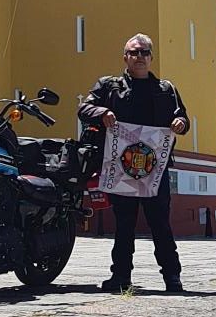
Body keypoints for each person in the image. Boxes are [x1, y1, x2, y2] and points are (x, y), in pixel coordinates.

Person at [79, 34, 189, 292]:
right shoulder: (109, 86)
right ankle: (120, 277)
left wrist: (181, 123)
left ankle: (172, 277)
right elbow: (84, 108)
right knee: (124, 223)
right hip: (121, 168)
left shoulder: (166, 89)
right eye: (134, 52)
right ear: (125, 57)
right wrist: (102, 112)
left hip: (155, 170)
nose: (139, 56)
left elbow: (182, 116)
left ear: (151, 58)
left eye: (144, 52)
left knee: (160, 223)